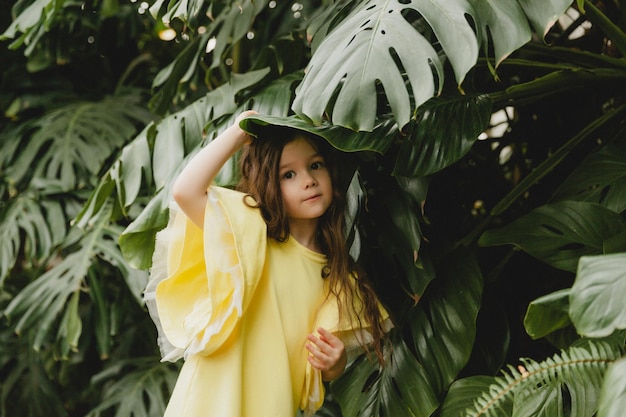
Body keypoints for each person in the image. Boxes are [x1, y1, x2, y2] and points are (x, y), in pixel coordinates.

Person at [144, 110, 391, 417]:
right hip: (211, 399)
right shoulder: (248, 233)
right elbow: (185, 192)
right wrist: (238, 133)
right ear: (268, 183)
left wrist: (334, 362)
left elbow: (321, 368)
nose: (309, 181)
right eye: (289, 174)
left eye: (315, 166)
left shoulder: (340, 277)